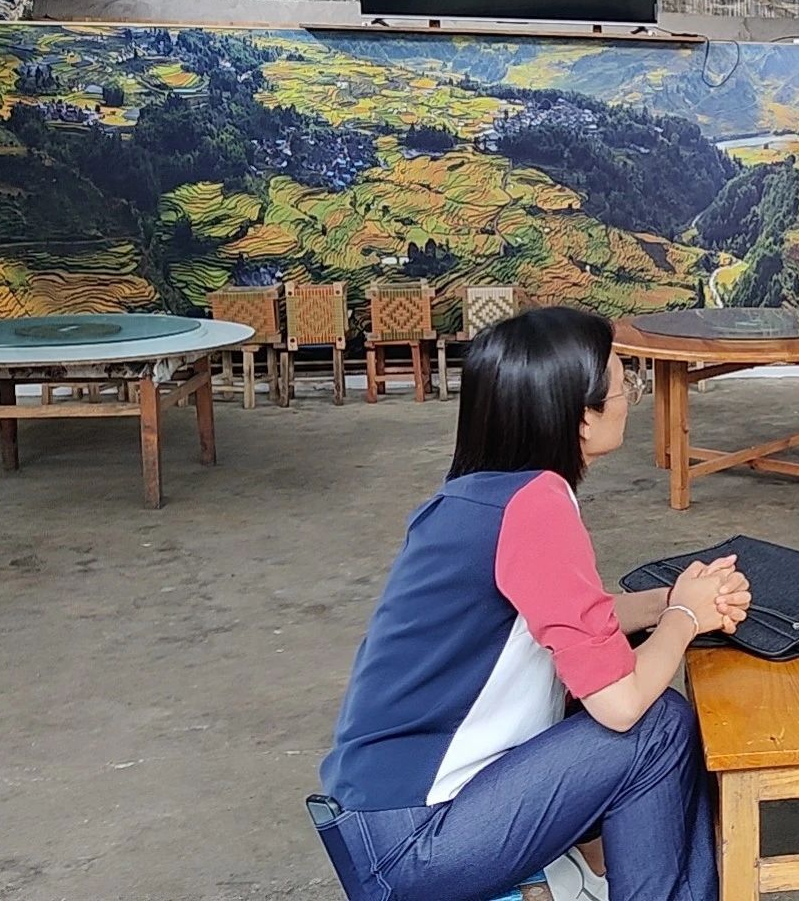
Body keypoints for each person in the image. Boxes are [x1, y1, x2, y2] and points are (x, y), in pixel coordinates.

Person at [310, 307, 749, 901]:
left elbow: (563, 622)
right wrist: (686, 618)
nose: (630, 398)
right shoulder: (538, 506)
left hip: (380, 828)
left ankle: (596, 872)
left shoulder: (481, 496)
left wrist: (669, 601)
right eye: (624, 384)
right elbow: (620, 704)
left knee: (622, 700)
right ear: (582, 419)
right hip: (413, 845)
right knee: (657, 726)